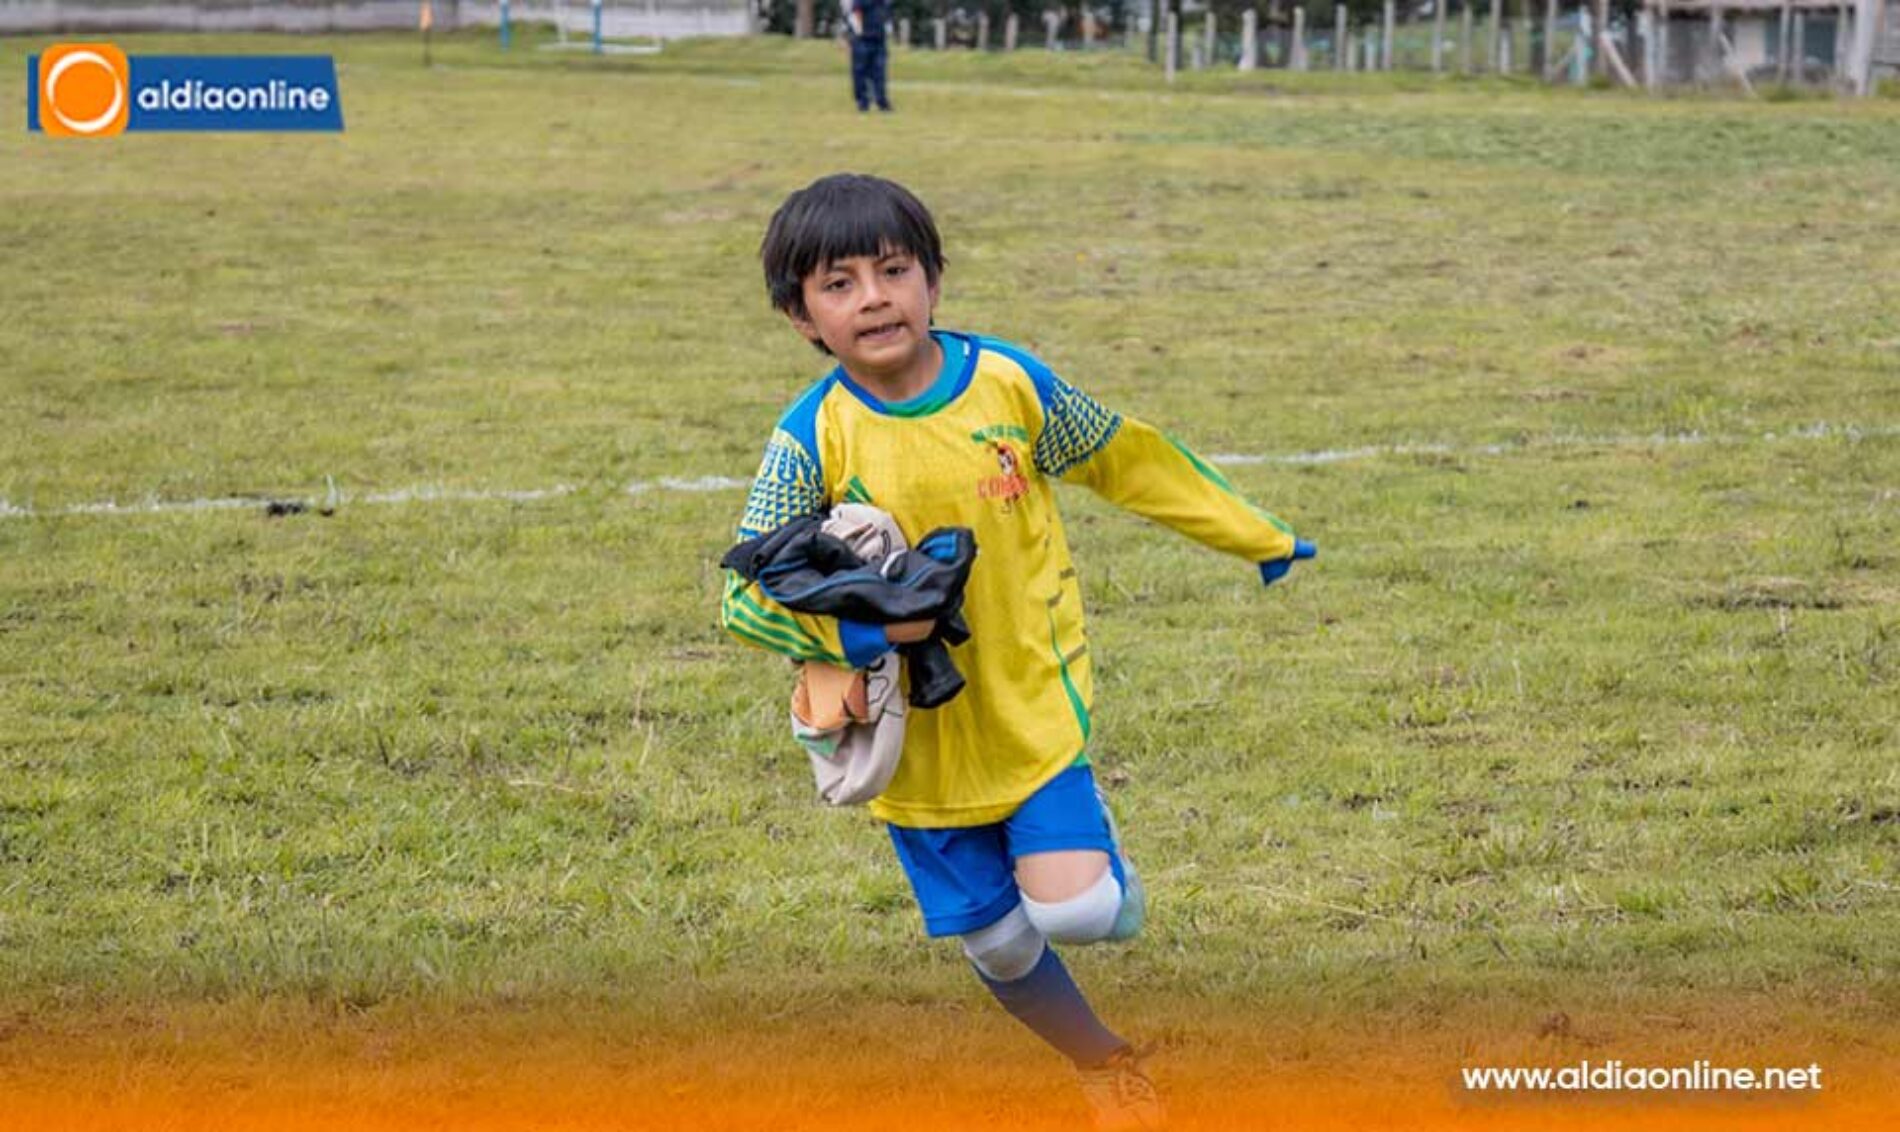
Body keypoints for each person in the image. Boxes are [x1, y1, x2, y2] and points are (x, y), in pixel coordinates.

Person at [720, 173, 1316, 1132]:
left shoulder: (1011, 384)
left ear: (934, 283)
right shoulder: (809, 440)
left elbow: (1128, 457)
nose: (873, 297)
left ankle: (1099, 869)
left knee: (1076, 914)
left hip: (1031, 707)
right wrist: (874, 630)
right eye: (839, 284)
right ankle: (1107, 1065)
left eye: (894, 270)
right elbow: (743, 598)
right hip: (916, 748)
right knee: (999, 949)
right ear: (801, 319)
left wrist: (1256, 533)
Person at [843, 0, 892, 112]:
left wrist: (887, 30)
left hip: (879, 39)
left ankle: (882, 101)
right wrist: (859, 32)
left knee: (880, 73)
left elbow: (886, 13)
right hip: (863, 39)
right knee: (860, 72)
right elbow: (856, 12)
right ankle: (863, 102)